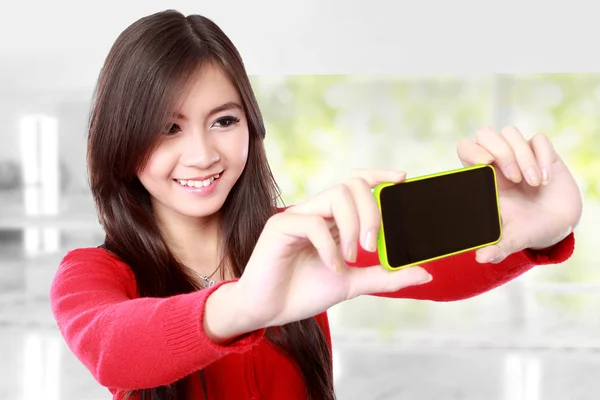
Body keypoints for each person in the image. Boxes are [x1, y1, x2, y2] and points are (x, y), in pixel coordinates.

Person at [49, 9, 582, 400]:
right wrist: (247, 304)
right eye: (168, 128)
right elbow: (112, 349)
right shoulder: (93, 274)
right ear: (122, 138)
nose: (203, 154)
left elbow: (426, 265)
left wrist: (526, 225)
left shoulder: (296, 236)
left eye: (224, 120)